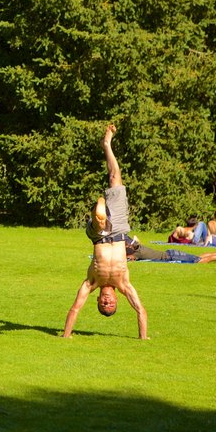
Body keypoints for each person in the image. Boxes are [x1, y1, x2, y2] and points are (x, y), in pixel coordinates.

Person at [63, 124, 148, 340]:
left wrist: (66, 335)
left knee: (99, 222)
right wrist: (143, 337)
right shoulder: (124, 284)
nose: (107, 302)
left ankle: (99, 214)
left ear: (98, 300)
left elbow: (75, 308)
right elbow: (140, 310)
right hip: (119, 229)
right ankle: (107, 144)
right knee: (114, 177)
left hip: (99, 237)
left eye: (104, 304)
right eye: (110, 305)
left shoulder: (91, 283)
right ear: (118, 300)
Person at [125, 236, 216, 265]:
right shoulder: (138, 248)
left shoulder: (136, 253)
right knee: (198, 256)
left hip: (172, 257)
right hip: (171, 253)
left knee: (199, 261)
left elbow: (129, 258)